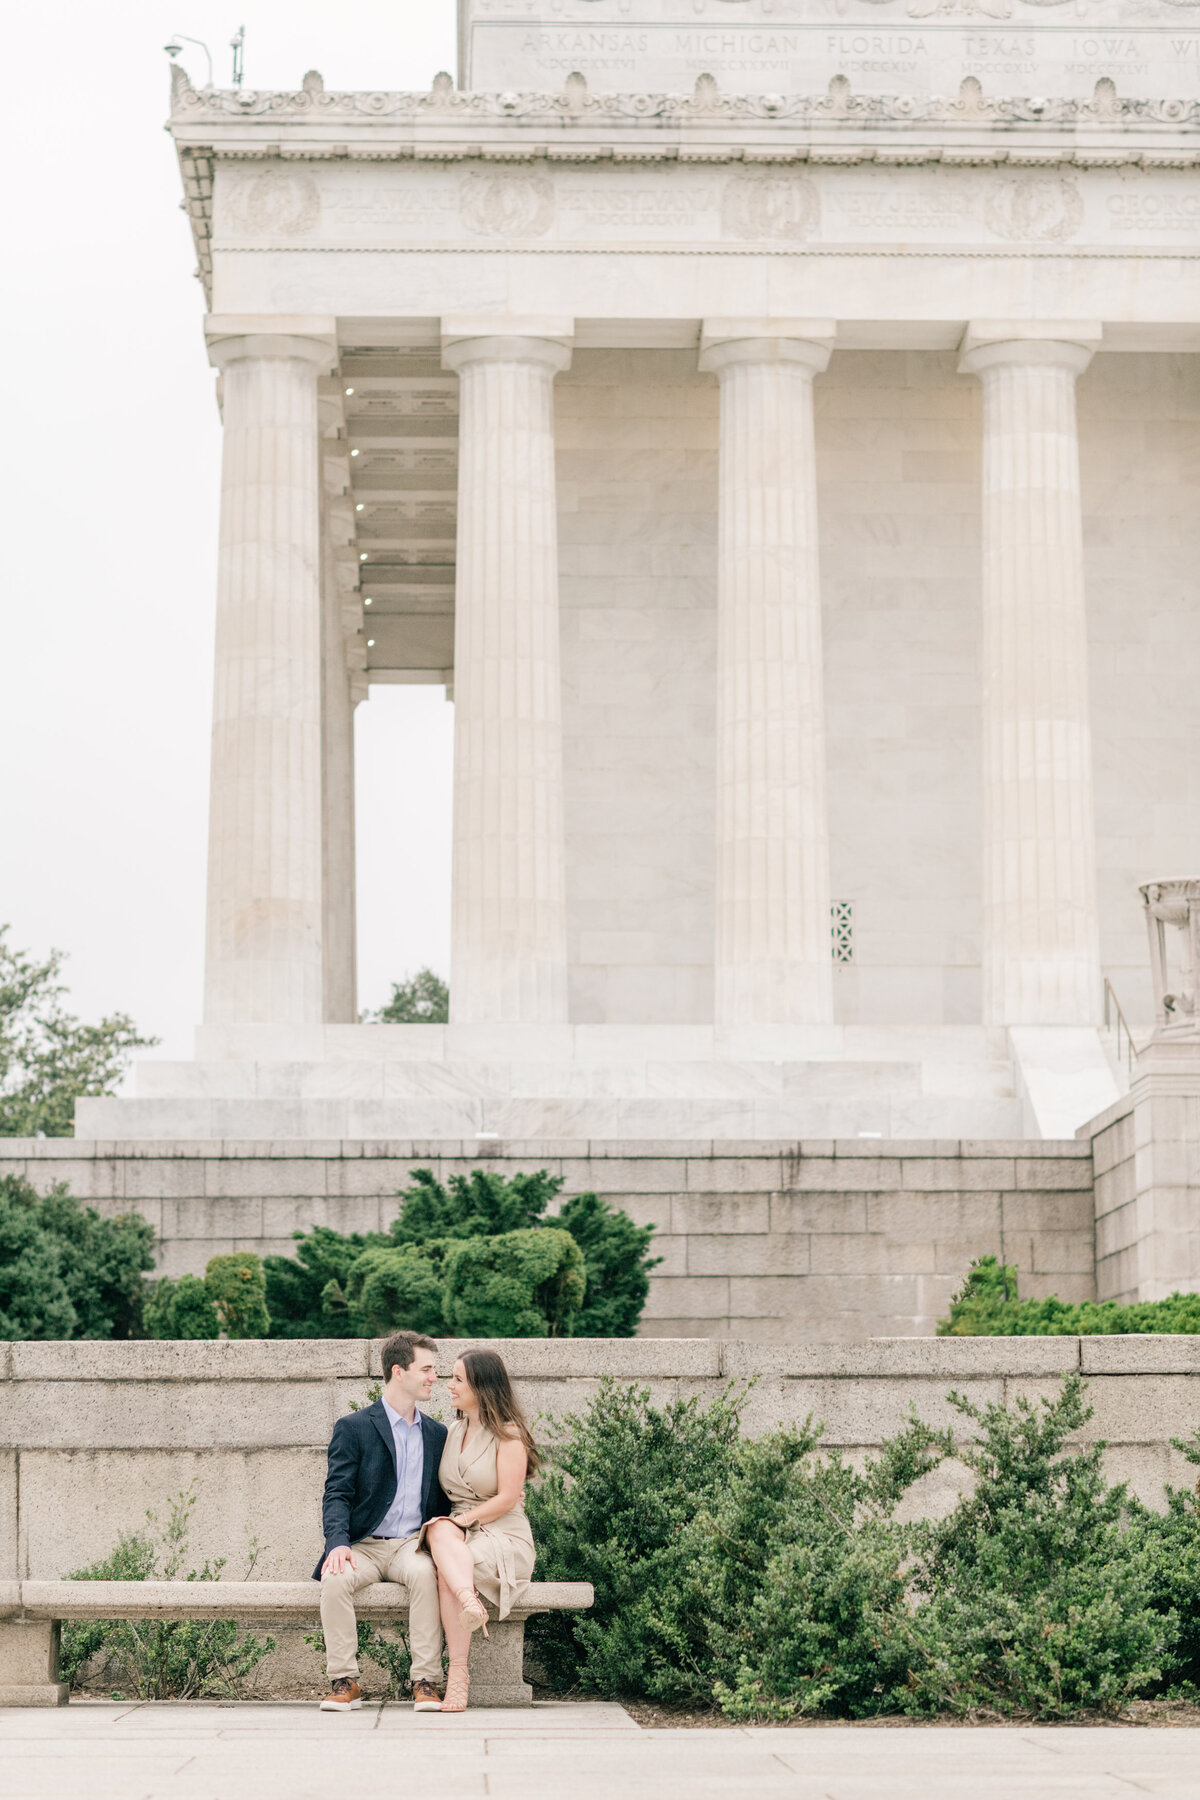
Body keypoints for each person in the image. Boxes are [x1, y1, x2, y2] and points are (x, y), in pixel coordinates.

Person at [315, 1330, 450, 1713]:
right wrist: (337, 1543)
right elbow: (337, 1493)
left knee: (426, 1575)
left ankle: (425, 1681)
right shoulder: (354, 1427)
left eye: (435, 1370)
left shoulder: (438, 1434)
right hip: (364, 1544)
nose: (433, 1378)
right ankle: (345, 1681)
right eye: (426, 1369)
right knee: (335, 1578)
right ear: (398, 1371)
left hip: (411, 1544)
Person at [421, 1347, 538, 1714]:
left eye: (457, 1379)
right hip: (458, 1529)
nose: (448, 1385)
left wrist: (465, 1520)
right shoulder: (452, 1431)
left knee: (449, 1566)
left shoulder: (509, 1434)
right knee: (438, 1532)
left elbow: (506, 1499)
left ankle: (457, 1676)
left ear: (481, 1385)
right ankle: (469, 1601)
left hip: (502, 1532)